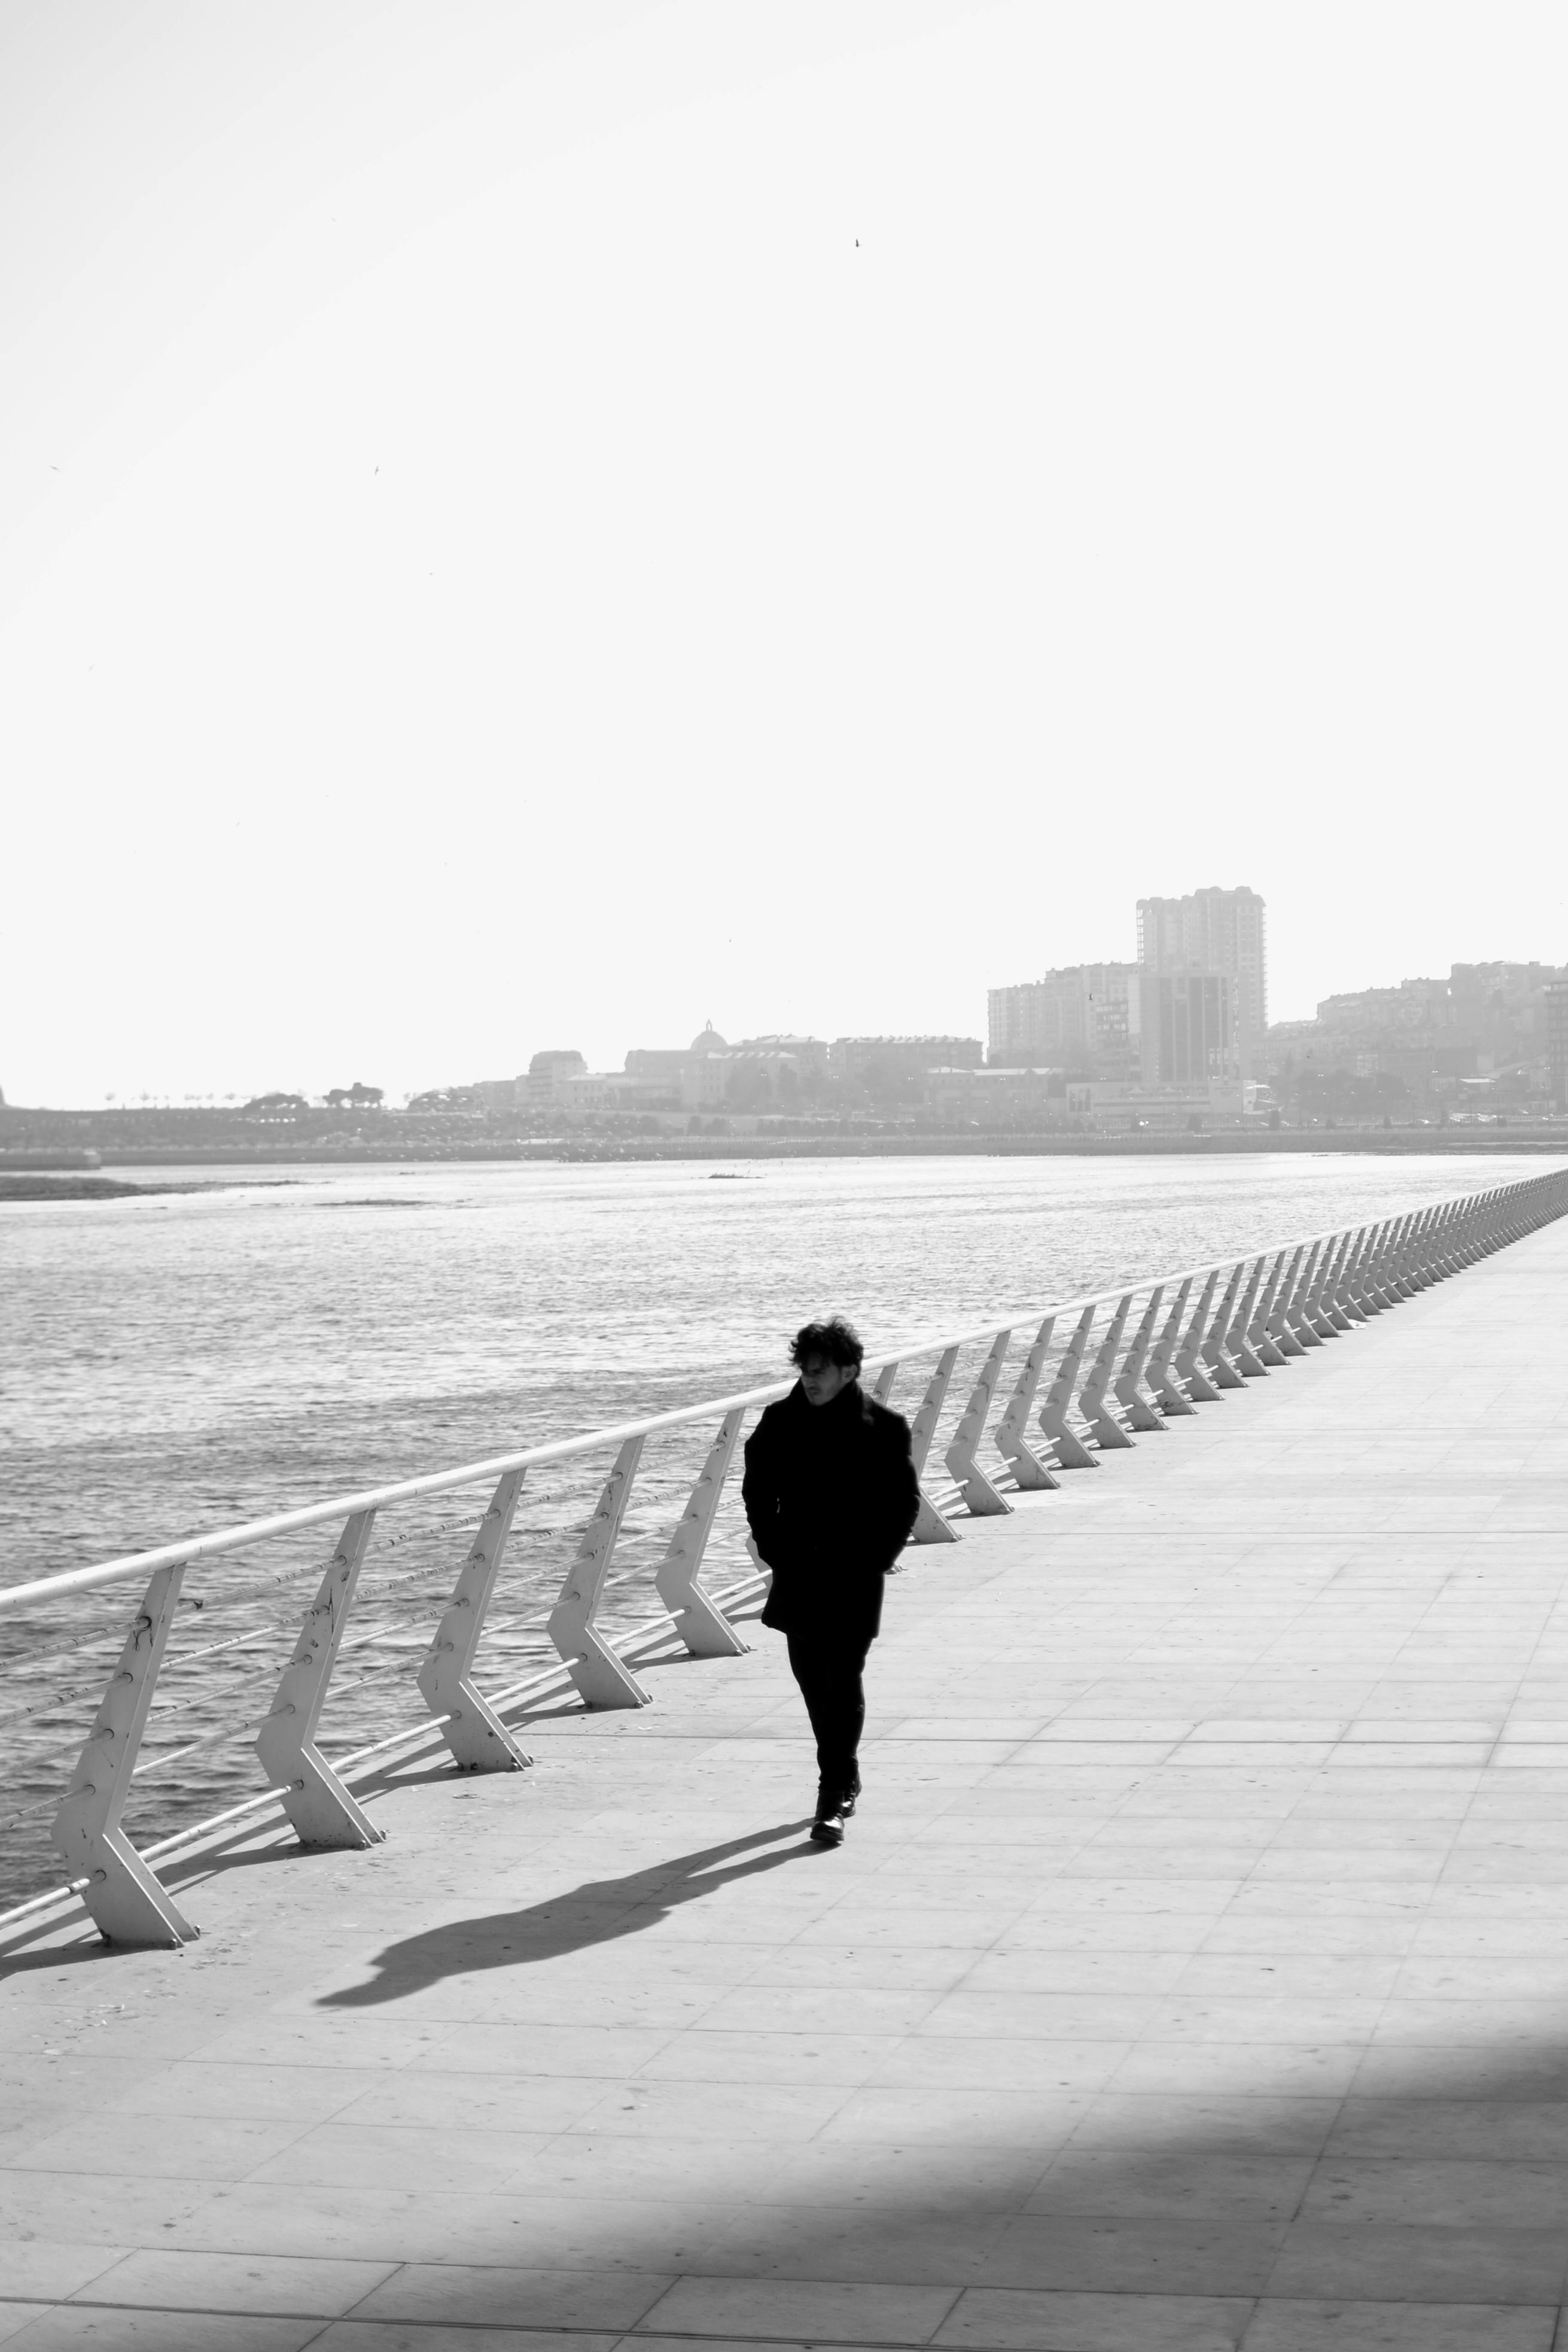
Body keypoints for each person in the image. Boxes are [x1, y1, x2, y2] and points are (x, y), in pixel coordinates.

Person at [742, 1317, 921, 1846]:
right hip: (798, 1571)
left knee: (841, 1678)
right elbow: (756, 1492)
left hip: (855, 1571)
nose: (810, 1379)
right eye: (804, 1370)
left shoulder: (884, 1427)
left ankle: (833, 1790)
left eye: (820, 1371)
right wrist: (773, 1549)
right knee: (811, 1679)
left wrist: (875, 1561)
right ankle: (843, 1770)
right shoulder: (778, 1421)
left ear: (848, 1370)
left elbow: (903, 1502)